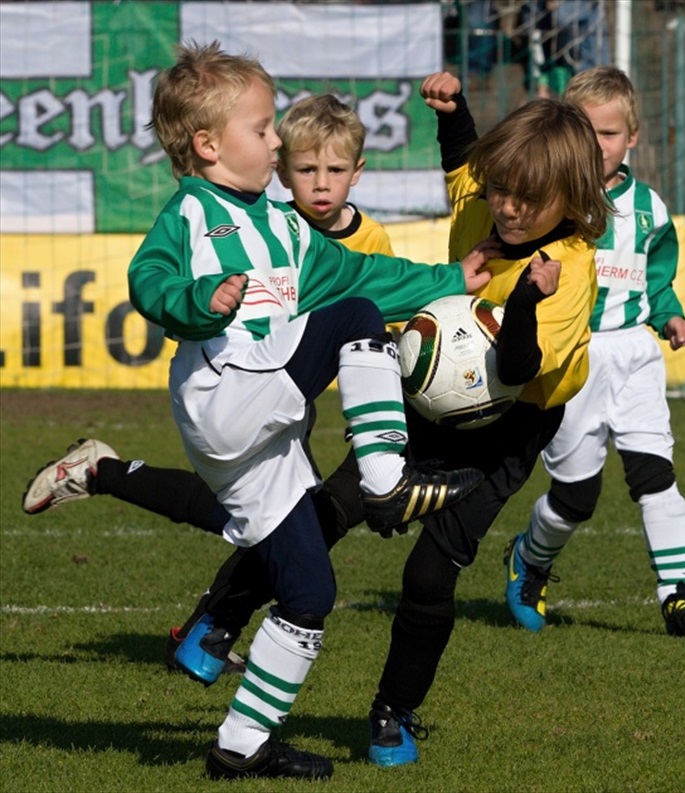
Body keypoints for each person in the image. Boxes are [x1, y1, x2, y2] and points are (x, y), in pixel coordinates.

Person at [125, 42, 488, 782]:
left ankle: (240, 745)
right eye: (261, 130)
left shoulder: (289, 230)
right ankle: (386, 476)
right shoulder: (194, 211)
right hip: (225, 397)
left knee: (310, 591)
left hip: (268, 435)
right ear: (207, 144)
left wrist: (454, 277)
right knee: (348, 315)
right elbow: (148, 277)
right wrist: (197, 300)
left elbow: (365, 272)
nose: (274, 143)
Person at [21, 92, 400, 675]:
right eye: (302, 168)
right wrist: (201, 301)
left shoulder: (364, 240)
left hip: (299, 407)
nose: (318, 184)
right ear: (283, 167)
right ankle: (212, 625)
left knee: (279, 523)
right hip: (240, 393)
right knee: (292, 521)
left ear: (358, 171)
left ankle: (116, 488)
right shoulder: (253, 218)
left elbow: (384, 305)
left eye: (335, 170)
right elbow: (159, 279)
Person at [364, 70, 610, 768]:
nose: (504, 206)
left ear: (571, 196)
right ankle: (218, 617)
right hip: (435, 400)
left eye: (526, 198)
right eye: (499, 187)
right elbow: (464, 169)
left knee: (430, 570)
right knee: (335, 501)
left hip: (511, 426)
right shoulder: (493, 198)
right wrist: (453, 111)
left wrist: (528, 299)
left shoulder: (568, 265)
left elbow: (517, 367)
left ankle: (393, 710)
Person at [503, 66, 685, 638]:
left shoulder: (651, 210)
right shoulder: (552, 201)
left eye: (608, 135)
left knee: (654, 472)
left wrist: (669, 316)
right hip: (574, 357)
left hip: (635, 353)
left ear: (631, 138)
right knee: (576, 496)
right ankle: (530, 561)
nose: (596, 146)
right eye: (583, 133)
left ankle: (679, 592)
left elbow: (656, 278)